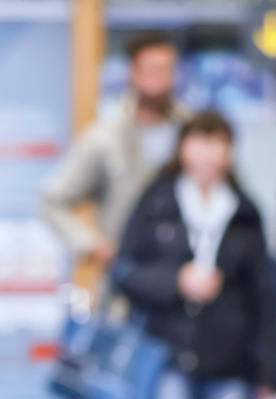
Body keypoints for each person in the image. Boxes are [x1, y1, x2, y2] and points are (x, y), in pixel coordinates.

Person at [113, 111, 276, 399]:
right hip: (166, 355)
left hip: (228, 359)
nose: (209, 154)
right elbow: (124, 272)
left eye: (219, 144)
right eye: (201, 142)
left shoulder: (245, 214)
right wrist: (176, 281)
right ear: (182, 148)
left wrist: (268, 375)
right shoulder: (156, 203)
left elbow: (264, 298)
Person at [41, 32, 189, 276]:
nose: (160, 78)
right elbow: (52, 200)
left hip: (184, 274)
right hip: (127, 275)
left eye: (167, 69)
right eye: (152, 70)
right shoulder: (106, 137)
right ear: (133, 73)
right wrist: (93, 245)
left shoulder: (191, 130)